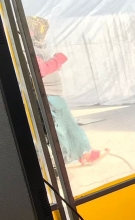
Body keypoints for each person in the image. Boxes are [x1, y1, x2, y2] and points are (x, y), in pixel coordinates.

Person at [28, 16, 102, 165]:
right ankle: (73, 156)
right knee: (62, 126)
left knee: (66, 124)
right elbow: (40, 70)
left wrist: (54, 63)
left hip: (51, 93)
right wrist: (57, 60)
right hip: (48, 94)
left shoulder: (36, 46)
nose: (43, 33)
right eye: (41, 30)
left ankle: (80, 154)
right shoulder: (31, 48)